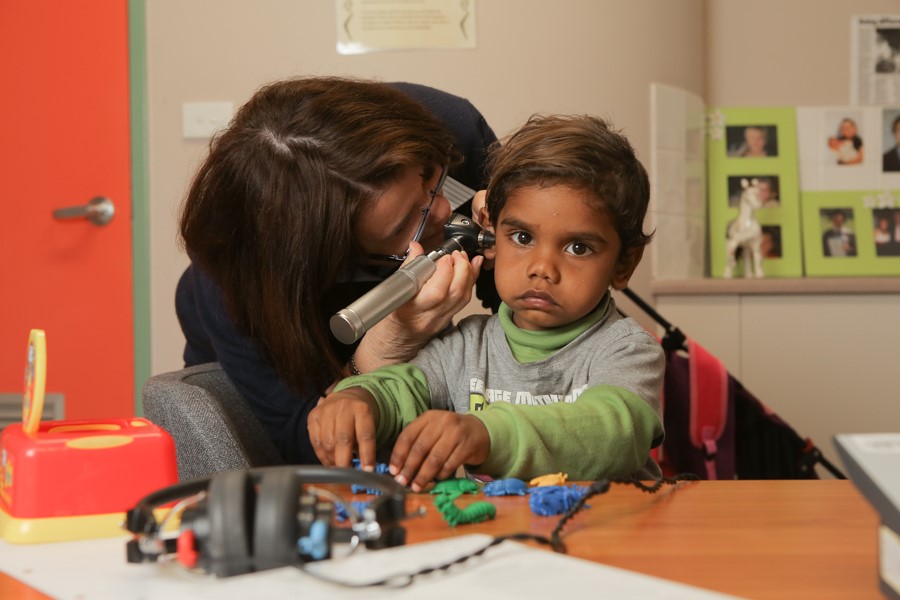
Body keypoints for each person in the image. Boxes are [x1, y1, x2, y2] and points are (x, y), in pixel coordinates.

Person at [309, 114, 665, 491]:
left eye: (578, 247)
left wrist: (488, 434)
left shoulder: (627, 350)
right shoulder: (463, 347)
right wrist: (357, 400)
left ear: (624, 264)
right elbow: (399, 388)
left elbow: (616, 432)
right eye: (523, 237)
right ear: (492, 238)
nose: (542, 268)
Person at [176, 76, 501, 465]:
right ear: (332, 252)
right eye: (401, 226)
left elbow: (524, 308)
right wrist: (386, 349)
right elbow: (309, 446)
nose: (446, 211)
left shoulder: (447, 126)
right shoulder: (237, 282)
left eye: (431, 178)